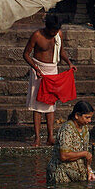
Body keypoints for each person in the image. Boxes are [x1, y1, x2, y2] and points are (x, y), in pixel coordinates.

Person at [23, 12, 73, 146]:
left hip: (53, 70)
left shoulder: (59, 34)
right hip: (38, 70)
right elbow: (26, 54)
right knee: (37, 106)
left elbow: (61, 52)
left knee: (51, 105)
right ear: (47, 27)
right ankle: (37, 138)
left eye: (56, 30)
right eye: (52, 30)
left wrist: (69, 63)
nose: (54, 33)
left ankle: (50, 137)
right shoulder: (37, 35)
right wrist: (35, 68)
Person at [47, 100, 95, 185]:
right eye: (87, 117)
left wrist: (89, 170)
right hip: (62, 173)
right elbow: (64, 156)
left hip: (78, 172)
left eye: (90, 117)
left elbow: (85, 153)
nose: (89, 121)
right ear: (77, 115)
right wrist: (84, 154)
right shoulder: (67, 129)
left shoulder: (84, 129)